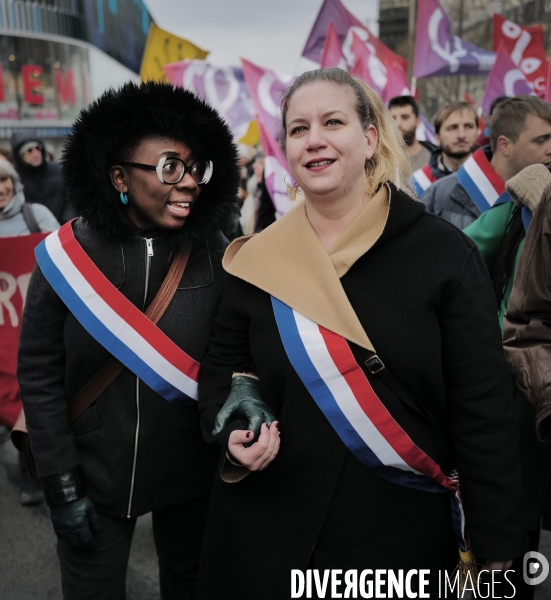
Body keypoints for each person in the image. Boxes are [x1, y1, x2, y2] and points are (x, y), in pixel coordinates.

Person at [195, 68, 527, 600]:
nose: (315, 139)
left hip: (398, 536)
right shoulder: (256, 261)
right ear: (285, 149)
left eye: (333, 121)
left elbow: (483, 405)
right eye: (299, 129)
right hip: (271, 530)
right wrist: (233, 429)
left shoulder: (443, 254)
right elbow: (227, 369)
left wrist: (497, 539)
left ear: (370, 138)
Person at [17, 82, 239, 599]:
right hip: (93, 470)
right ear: (120, 176)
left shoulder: (216, 252)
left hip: (191, 469)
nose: (187, 184)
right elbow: (40, 373)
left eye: (194, 168)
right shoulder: (66, 256)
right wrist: (61, 482)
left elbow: (238, 348)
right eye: (168, 168)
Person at [467, 164, 551, 599]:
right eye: (540, 140)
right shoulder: (526, 201)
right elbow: (460, 257)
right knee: (519, 514)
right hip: (522, 386)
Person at [0, 158, 59, 505]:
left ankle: (37, 473)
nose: (1, 189)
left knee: (34, 393)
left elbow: (64, 255)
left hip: (36, 323)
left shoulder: (36, 216)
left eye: (4, 181)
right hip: (3, 328)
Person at [421, 95, 551, 229]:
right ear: (504, 145)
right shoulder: (437, 195)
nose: (461, 135)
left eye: (468, 126)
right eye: (540, 140)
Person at [411, 101, 478, 196]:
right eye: (453, 128)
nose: (461, 135)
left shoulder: (491, 178)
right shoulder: (418, 183)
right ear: (437, 137)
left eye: (468, 126)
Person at [10, 129, 76, 224]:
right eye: (29, 150)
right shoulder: (13, 176)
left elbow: (71, 199)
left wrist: (67, 222)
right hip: (32, 231)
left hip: (63, 229)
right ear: (19, 155)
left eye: (38, 148)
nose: (36, 154)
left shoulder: (57, 169)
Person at [388, 95, 436, 172]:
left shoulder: (434, 159)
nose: (398, 123)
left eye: (405, 117)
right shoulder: (381, 160)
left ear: (417, 122)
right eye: (393, 118)